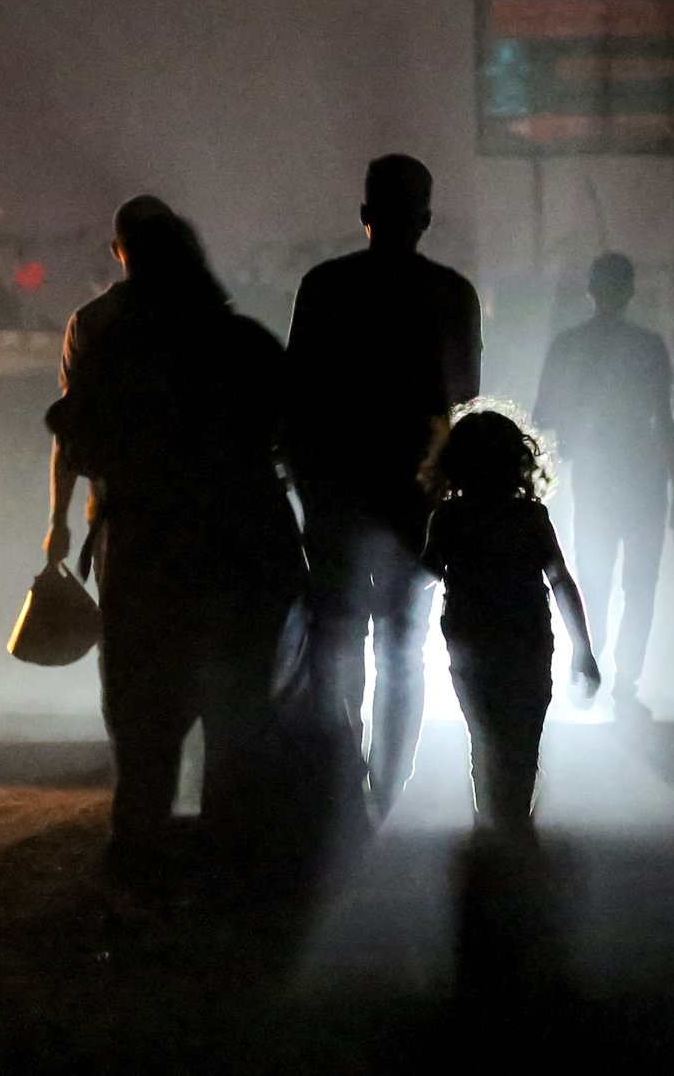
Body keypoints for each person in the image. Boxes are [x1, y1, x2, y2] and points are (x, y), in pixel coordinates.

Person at [46, 196, 305, 881]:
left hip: (144, 555)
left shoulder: (110, 348)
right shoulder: (245, 344)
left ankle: (139, 848)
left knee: (144, 715)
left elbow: (77, 437)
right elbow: (300, 443)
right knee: (237, 712)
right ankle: (229, 852)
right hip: (244, 553)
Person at [284, 154, 483, 817]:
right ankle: (386, 791)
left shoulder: (324, 288)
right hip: (415, 503)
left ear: (364, 214)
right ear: (425, 220)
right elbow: (461, 404)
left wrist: (311, 486)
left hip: (337, 496)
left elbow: (297, 401)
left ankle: (341, 780)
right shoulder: (453, 295)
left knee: (339, 638)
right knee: (404, 645)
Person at [422, 407, 599, 832]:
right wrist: (583, 649)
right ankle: (515, 816)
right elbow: (560, 581)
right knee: (523, 735)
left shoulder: (450, 518)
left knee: (484, 736)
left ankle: (492, 820)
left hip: (471, 645)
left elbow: (423, 576)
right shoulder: (530, 517)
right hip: (529, 643)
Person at [533, 252, 674, 720]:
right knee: (639, 584)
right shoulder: (648, 347)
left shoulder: (569, 345)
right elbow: (666, 421)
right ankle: (624, 681)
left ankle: (589, 666)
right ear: (631, 291)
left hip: (597, 477)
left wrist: (575, 432)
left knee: (593, 578)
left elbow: (544, 415)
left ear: (591, 289)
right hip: (643, 479)